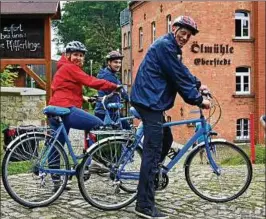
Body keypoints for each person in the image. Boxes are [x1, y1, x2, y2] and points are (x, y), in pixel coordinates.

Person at [130, 16, 211, 219]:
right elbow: (177, 77)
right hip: (149, 101)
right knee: (153, 150)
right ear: (174, 29)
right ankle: (144, 206)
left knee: (166, 138)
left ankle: (154, 173)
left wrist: (198, 83)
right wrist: (199, 100)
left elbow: (181, 72)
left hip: (151, 100)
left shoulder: (170, 48)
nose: (185, 38)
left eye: (188, 36)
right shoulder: (166, 46)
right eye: (183, 33)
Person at [48, 41, 120, 191]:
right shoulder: (70, 67)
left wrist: (85, 99)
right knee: (97, 124)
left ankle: (56, 180)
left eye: (81, 56)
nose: (78, 58)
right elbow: (90, 81)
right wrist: (114, 86)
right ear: (67, 55)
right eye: (75, 54)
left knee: (56, 145)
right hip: (65, 109)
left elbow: (65, 89)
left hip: (55, 108)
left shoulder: (63, 68)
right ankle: (91, 162)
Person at [94, 50, 130, 130]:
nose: (118, 65)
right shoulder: (108, 76)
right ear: (109, 63)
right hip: (107, 112)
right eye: (115, 62)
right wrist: (132, 100)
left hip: (107, 111)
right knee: (127, 132)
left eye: (119, 62)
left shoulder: (109, 74)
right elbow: (122, 91)